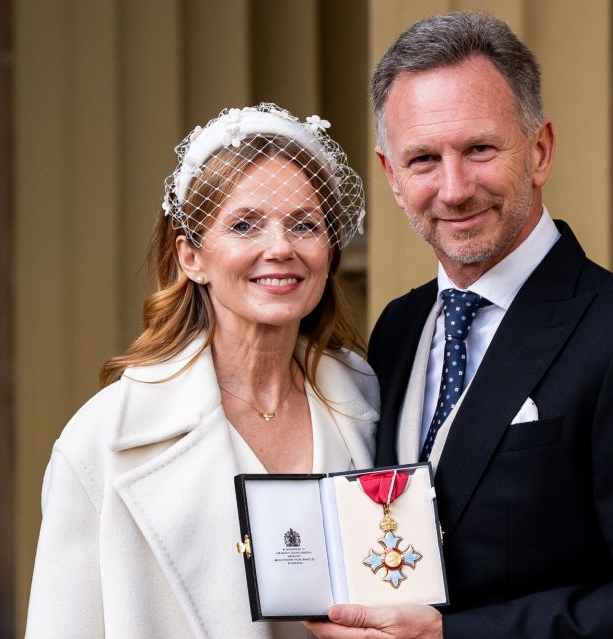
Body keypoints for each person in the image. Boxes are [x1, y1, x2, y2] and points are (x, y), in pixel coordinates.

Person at [306, 12, 613, 639]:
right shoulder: (399, 329)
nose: (454, 189)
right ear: (392, 177)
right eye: (424, 159)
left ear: (539, 151)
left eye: (479, 149)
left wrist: (448, 637)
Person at [25, 103, 377, 638]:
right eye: (244, 225)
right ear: (191, 257)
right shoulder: (103, 441)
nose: (280, 248)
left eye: (304, 224)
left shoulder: (370, 399)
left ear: (329, 251)